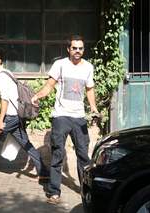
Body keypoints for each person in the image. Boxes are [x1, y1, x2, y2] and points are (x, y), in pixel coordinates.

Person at [31, 35, 99, 204]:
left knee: (83, 156)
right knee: (57, 155)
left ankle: (86, 191)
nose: (77, 51)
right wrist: (38, 95)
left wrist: (94, 107)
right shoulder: (60, 65)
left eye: (80, 48)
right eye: (74, 48)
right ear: (68, 49)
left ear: (83, 50)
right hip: (61, 116)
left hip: (79, 117)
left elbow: (90, 89)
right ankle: (54, 192)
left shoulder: (88, 67)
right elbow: (49, 85)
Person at [0, 47, 48, 182]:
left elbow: (4, 100)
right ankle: (44, 173)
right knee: (26, 143)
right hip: (17, 115)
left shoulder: (3, 76)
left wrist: (0, 122)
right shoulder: (6, 73)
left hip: (11, 116)